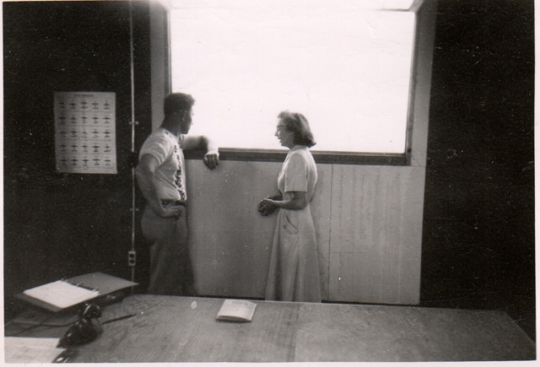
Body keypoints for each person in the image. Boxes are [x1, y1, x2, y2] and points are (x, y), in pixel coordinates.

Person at [136, 92, 219, 296]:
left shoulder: (174, 139)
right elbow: (143, 170)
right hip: (165, 216)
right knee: (165, 283)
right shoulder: (160, 140)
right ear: (182, 114)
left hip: (173, 215)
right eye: (191, 114)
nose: (192, 119)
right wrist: (161, 210)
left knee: (182, 278)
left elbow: (203, 138)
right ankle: (156, 326)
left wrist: (212, 150)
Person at [258, 111, 321, 302]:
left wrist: (273, 203)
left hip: (294, 222)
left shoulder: (296, 158)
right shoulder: (301, 154)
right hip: (296, 221)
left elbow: (300, 201)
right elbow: (295, 194)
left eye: (280, 129)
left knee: (291, 274)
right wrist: (279, 197)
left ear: (293, 131)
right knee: (293, 276)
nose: (276, 134)